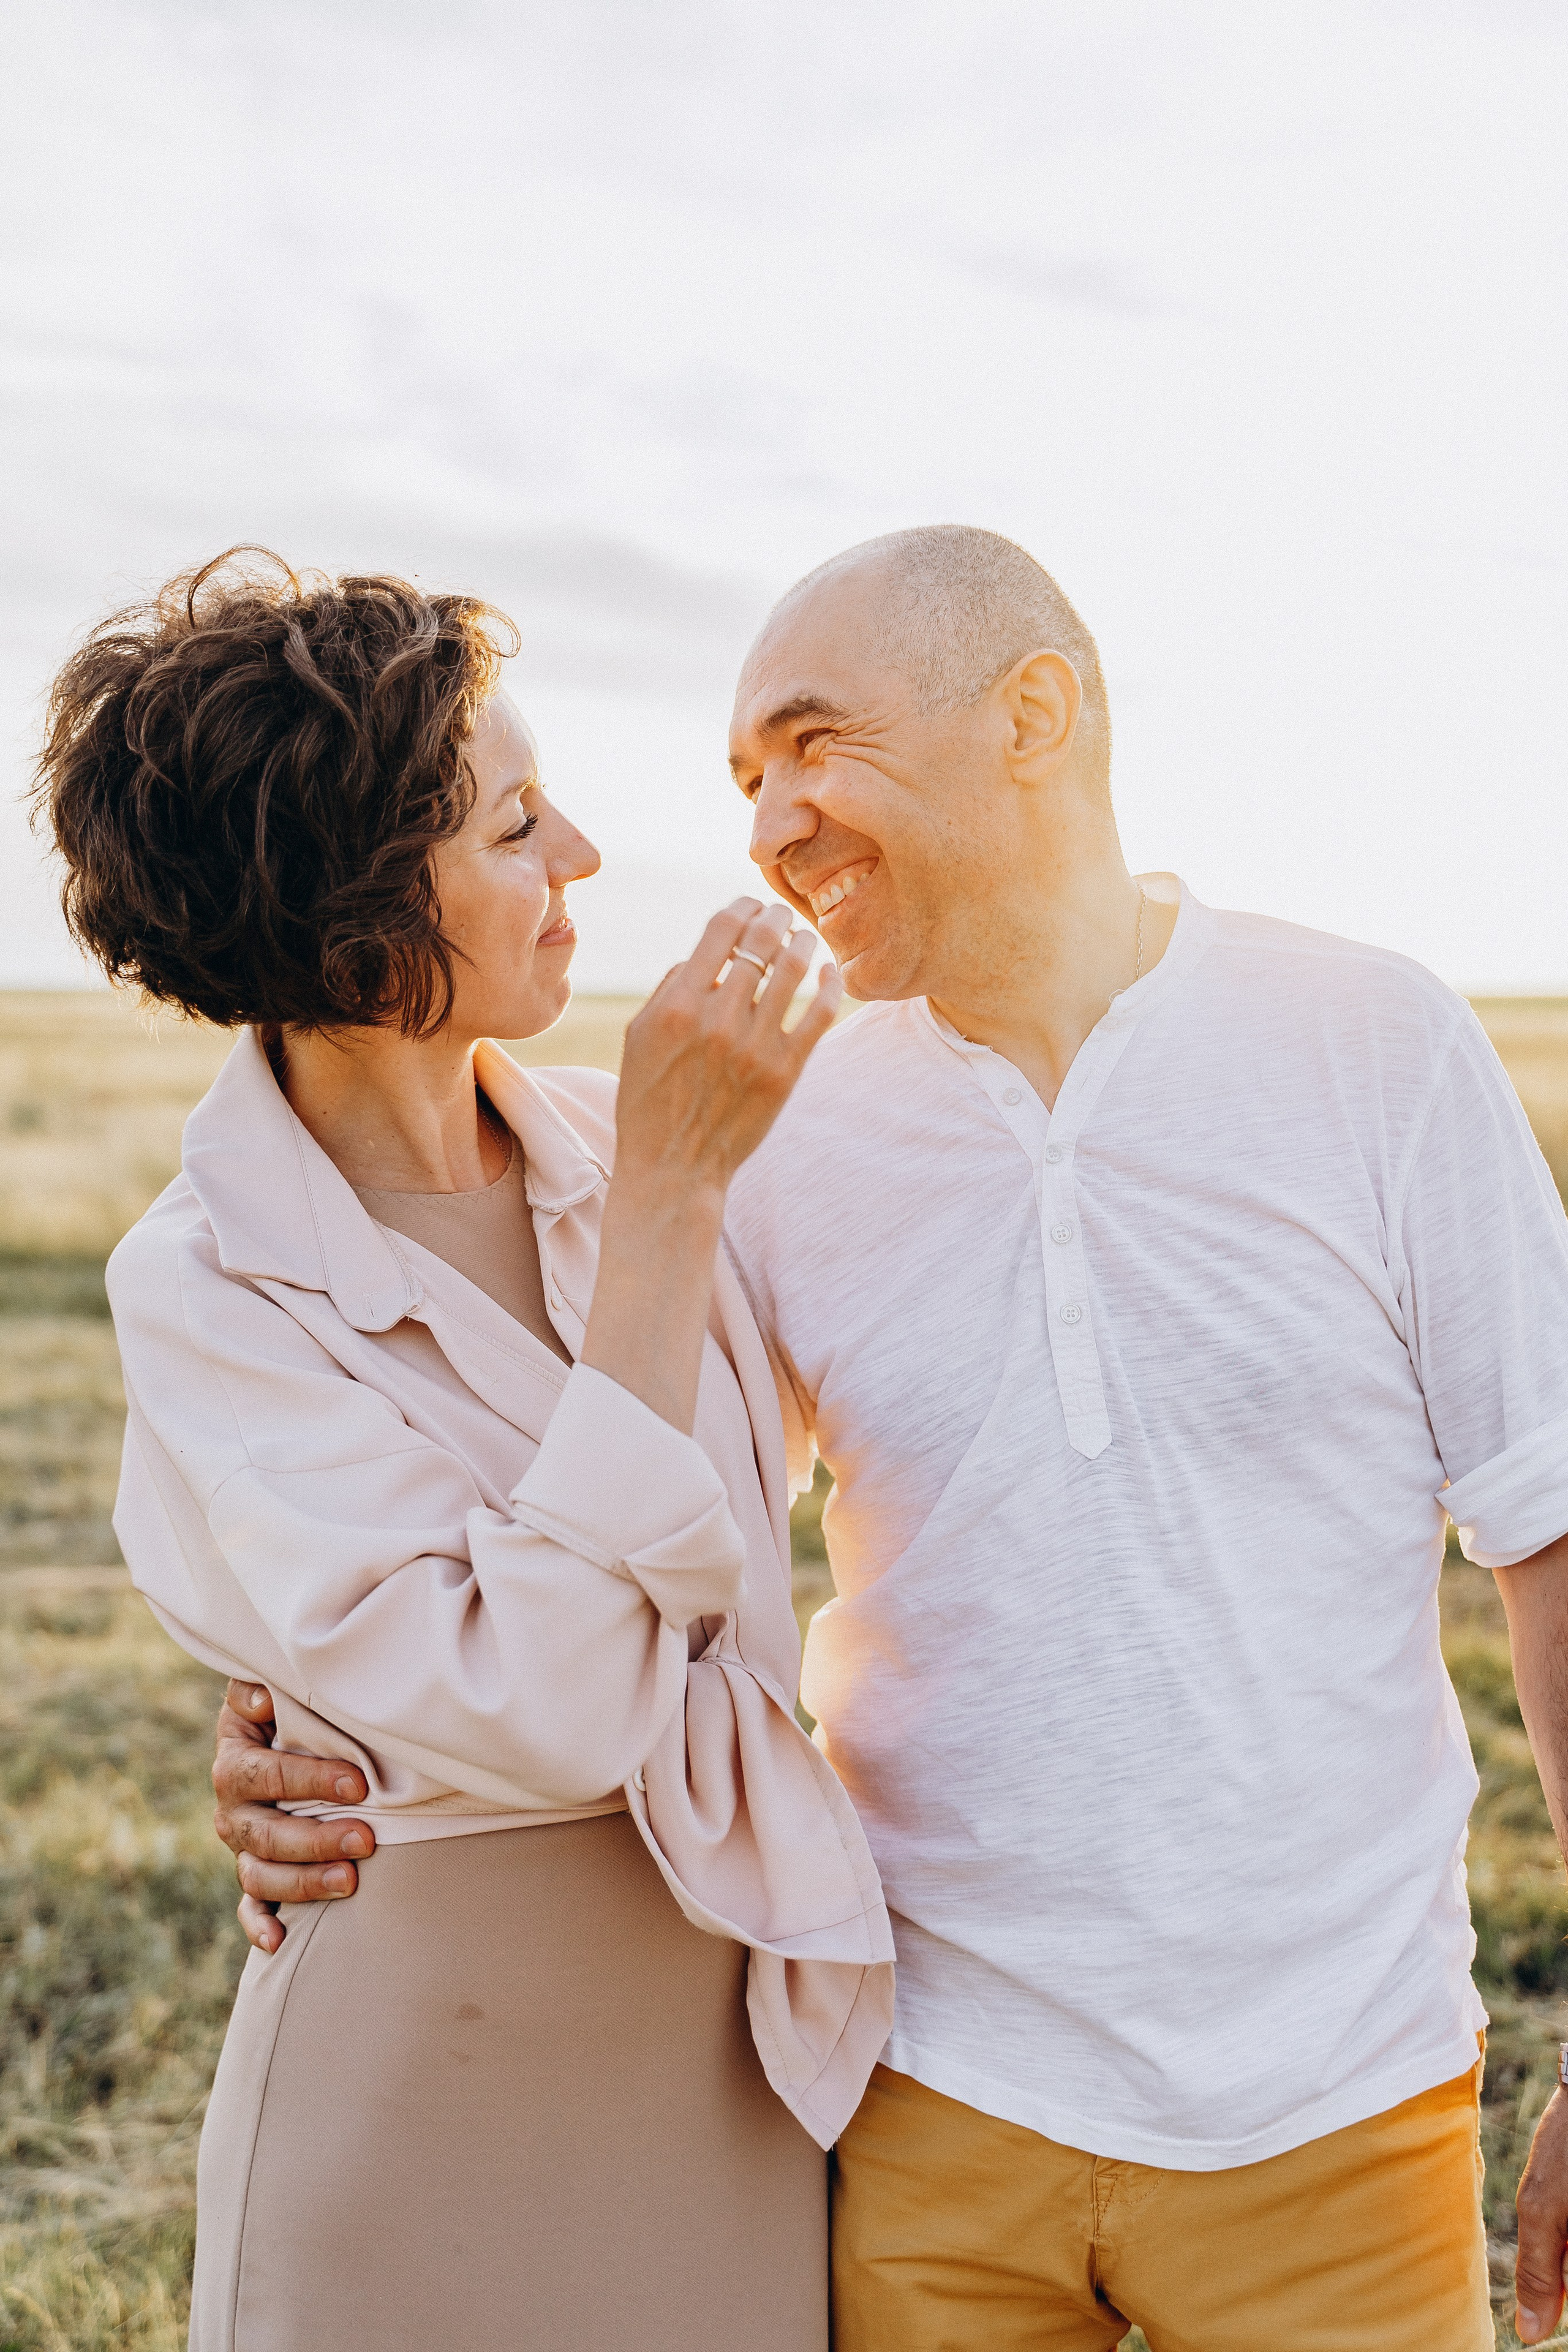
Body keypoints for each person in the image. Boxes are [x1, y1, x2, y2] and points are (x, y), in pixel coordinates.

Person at [214, 525, 1568, 2350]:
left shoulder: (1377, 1047)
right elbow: (611, 1552)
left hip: (1336, 2108)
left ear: (1033, 716)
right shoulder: (771, 1136)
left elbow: (1548, 1542)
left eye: (813, 743)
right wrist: (304, 1728)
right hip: (915, 2101)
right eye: (745, 778)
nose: (770, 823)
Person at [33, 549, 893, 2352]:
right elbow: (556, 1701)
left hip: (729, 2104)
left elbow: (911, 1423)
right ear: (355, 915)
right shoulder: (205, 1288)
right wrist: (668, 1204)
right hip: (415, 2131)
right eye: (515, 828)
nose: (581, 855)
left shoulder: (626, 1132)